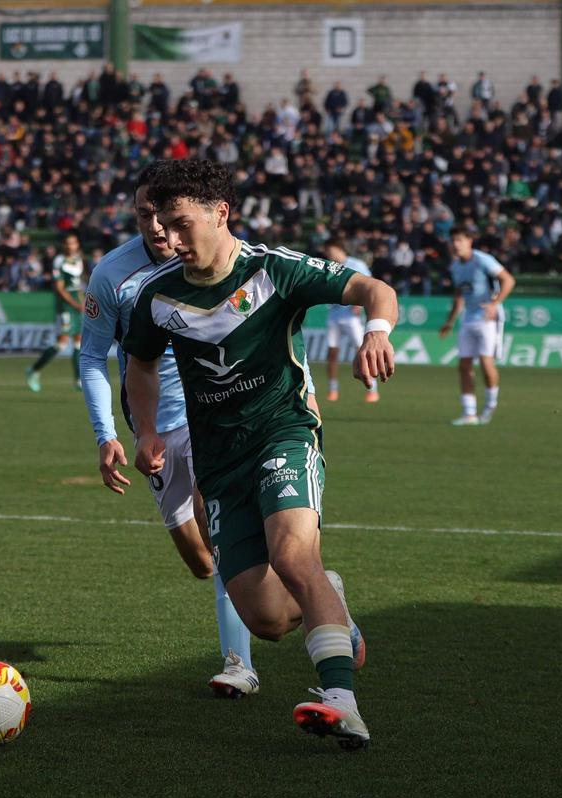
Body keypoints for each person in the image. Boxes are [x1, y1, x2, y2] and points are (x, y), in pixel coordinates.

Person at [123, 159, 397, 749]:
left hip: (283, 433)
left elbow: (374, 289)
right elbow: (141, 364)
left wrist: (377, 331)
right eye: (158, 225)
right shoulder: (155, 296)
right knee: (268, 620)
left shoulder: (274, 270)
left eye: (179, 223)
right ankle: (335, 601)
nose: (166, 238)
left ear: (221, 214)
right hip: (218, 464)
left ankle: (341, 701)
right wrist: (144, 429)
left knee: (294, 555)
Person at [78, 162, 261, 698]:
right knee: (201, 561)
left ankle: (238, 664)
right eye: (144, 215)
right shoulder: (113, 275)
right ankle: (319, 597)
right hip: (151, 430)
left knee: (222, 532)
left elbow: (272, 326)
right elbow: (92, 357)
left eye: (164, 215)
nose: (156, 228)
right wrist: (107, 433)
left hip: (218, 412)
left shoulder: (228, 256)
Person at [438, 227, 516, 426]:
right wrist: (450, 321)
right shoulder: (455, 266)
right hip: (468, 318)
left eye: (460, 240)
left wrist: (494, 304)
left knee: (485, 362)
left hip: (488, 317)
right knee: (464, 366)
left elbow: (508, 280)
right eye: (453, 241)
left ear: (469, 241)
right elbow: (459, 296)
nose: (456, 244)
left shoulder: (482, 260)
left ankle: (490, 405)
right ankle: (469, 413)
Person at [320, 238, 380, 403]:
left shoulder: (357, 265)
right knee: (332, 353)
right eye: (327, 252)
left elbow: (371, 286)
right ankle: (333, 389)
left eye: (330, 251)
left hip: (351, 318)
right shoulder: (328, 267)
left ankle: (372, 389)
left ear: (340, 249)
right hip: (334, 315)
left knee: (363, 353)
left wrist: (360, 304)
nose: (328, 254)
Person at [26, 233, 84, 391]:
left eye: (73, 243)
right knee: (62, 343)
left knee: (79, 340)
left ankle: (78, 379)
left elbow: (78, 285)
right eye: (67, 243)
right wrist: (74, 304)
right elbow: (59, 288)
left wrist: (83, 301)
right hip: (65, 304)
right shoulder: (59, 261)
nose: (70, 246)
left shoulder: (78, 259)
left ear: (77, 245)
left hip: (76, 301)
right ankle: (34, 370)